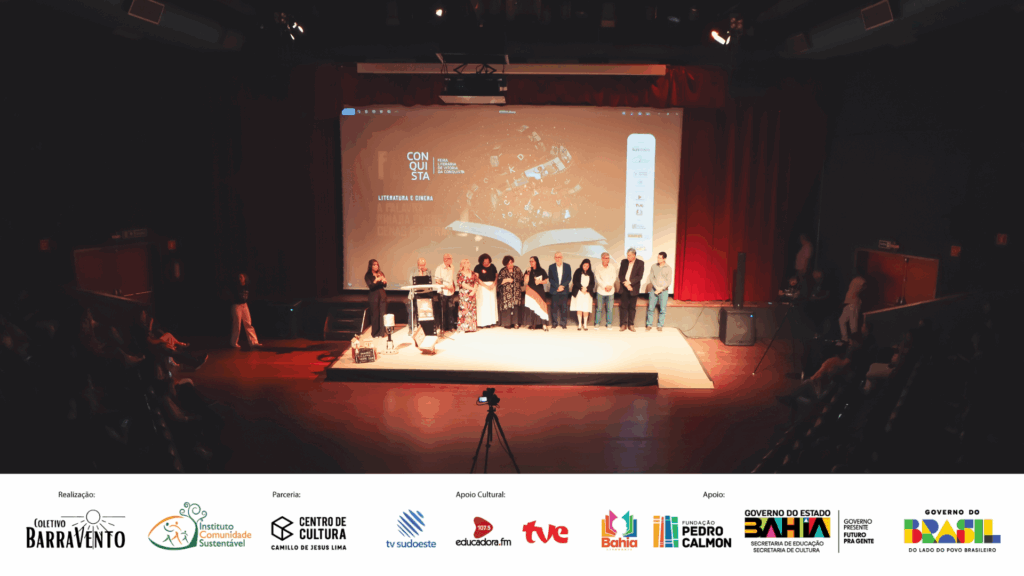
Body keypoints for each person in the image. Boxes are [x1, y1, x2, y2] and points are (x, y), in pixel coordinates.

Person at [131, 309, 208, 370]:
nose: (145, 315)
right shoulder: (141, 328)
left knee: (173, 347)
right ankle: (193, 361)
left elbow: (149, 336)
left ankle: (193, 360)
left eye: (145, 314)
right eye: (143, 314)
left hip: (154, 347)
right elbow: (151, 342)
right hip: (153, 349)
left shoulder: (141, 326)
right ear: (139, 316)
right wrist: (161, 341)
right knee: (174, 350)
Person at [230, 273, 261, 349]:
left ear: (245, 278)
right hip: (236, 305)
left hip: (244, 305)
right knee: (237, 324)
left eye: (241, 277)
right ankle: (234, 343)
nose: (239, 278)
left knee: (248, 323)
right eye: (239, 277)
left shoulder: (247, 286)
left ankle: (254, 342)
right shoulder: (236, 286)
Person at [618, 248, 645, 332]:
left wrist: (630, 284)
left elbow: (639, 276)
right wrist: (626, 284)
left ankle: (631, 324)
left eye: (629, 255)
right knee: (623, 307)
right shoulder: (624, 262)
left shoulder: (640, 263)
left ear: (634, 255)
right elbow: (620, 275)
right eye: (627, 255)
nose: (628, 257)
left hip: (633, 288)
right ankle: (623, 324)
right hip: (624, 287)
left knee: (632, 307)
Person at [520, 256, 549, 331]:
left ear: (536, 262)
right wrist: (528, 273)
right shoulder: (528, 270)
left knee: (541, 307)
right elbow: (526, 281)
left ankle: (544, 324)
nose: (531, 262)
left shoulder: (541, 270)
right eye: (530, 261)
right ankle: (533, 324)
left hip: (539, 291)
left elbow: (546, 281)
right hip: (530, 291)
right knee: (532, 307)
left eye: (532, 261)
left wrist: (540, 282)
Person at [646, 251, 672, 331]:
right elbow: (652, 278)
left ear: (664, 259)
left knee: (663, 309)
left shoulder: (668, 268)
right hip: (654, 290)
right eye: (658, 257)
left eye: (660, 258)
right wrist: (656, 287)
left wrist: (661, 288)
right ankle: (649, 324)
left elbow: (669, 281)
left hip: (663, 291)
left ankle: (660, 325)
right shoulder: (654, 266)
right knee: (651, 308)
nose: (658, 259)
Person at [496, 256, 524, 328]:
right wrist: (507, 280)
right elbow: (499, 282)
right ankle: (507, 323)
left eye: (511, 263)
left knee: (516, 307)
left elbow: (522, 280)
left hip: (516, 293)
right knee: (507, 307)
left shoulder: (517, 269)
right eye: (508, 264)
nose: (510, 265)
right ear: (505, 264)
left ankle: (516, 323)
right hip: (506, 293)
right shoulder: (503, 271)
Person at [433, 253, 458, 333]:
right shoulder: (439, 268)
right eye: (450, 259)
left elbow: (451, 279)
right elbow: (438, 281)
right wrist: (447, 287)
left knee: (451, 309)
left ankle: (451, 327)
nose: (451, 260)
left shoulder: (452, 267)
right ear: (445, 259)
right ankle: (442, 327)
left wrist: (453, 287)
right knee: (442, 311)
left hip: (450, 292)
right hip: (442, 292)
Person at [407, 258, 431, 335]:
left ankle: (423, 328)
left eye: (423, 265)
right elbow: (411, 281)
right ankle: (411, 329)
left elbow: (429, 282)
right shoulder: (413, 271)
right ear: (418, 265)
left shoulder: (428, 271)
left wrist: (424, 272)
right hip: (414, 294)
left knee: (423, 311)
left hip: (424, 294)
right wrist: (420, 273)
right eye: (421, 265)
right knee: (412, 311)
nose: (422, 266)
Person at [547, 252, 572, 329]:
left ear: (562, 257)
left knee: (564, 308)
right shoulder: (551, 267)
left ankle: (563, 323)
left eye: (559, 257)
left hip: (564, 290)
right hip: (555, 290)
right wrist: (557, 287)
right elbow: (550, 279)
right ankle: (554, 323)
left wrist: (562, 286)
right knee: (554, 308)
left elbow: (569, 278)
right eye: (556, 257)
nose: (557, 259)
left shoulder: (567, 266)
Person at [570, 259, 596, 331]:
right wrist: (581, 288)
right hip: (579, 292)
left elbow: (592, 283)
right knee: (579, 308)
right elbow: (575, 281)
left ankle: (585, 324)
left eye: (587, 266)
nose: (586, 267)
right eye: (584, 265)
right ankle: (579, 324)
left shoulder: (591, 273)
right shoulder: (577, 271)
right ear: (582, 265)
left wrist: (587, 289)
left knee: (586, 308)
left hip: (587, 293)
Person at [594, 252, 618, 330]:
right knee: (599, 309)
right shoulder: (598, 267)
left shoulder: (612, 267)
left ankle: (609, 324)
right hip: (601, 291)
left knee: (609, 309)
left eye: (608, 258)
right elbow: (597, 278)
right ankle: (597, 323)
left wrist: (610, 286)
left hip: (610, 291)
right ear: (602, 258)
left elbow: (614, 277)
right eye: (605, 258)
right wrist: (605, 286)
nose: (607, 260)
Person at [364, 259, 388, 338]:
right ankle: (375, 333)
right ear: (371, 266)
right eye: (374, 265)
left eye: (377, 264)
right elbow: (371, 286)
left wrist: (384, 281)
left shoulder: (380, 273)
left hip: (382, 294)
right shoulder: (368, 275)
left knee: (383, 313)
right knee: (375, 314)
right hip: (374, 295)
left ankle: (381, 333)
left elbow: (384, 285)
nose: (376, 266)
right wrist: (376, 280)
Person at [474, 254, 499, 328]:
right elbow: (477, 278)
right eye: (484, 262)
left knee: (491, 304)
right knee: (483, 304)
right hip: (482, 287)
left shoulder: (493, 266)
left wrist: (494, 284)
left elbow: (496, 276)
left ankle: (491, 322)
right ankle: (482, 323)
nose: (486, 263)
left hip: (492, 286)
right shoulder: (477, 267)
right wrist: (486, 286)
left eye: (487, 262)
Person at [839, 276, 866, 343]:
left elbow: (864, 285)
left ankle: (854, 341)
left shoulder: (860, 279)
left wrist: (858, 292)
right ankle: (845, 339)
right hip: (849, 303)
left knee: (853, 323)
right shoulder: (855, 280)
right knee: (842, 320)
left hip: (853, 302)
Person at [456, 259, 478, 333]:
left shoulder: (473, 273)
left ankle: (472, 327)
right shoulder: (460, 273)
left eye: (469, 262)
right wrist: (472, 289)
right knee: (465, 310)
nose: (469, 264)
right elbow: (462, 284)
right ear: (463, 264)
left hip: (472, 294)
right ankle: (463, 328)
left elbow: (476, 282)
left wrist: (474, 291)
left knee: (472, 310)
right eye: (467, 263)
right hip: (464, 294)